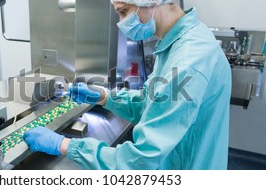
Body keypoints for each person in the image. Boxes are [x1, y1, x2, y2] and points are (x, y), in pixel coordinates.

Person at [23, 0, 232, 170]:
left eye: (124, 12)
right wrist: (105, 96)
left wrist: (63, 144)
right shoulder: (179, 41)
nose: (121, 23)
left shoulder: (186, 62)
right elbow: (152, 103)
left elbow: (141, 161)